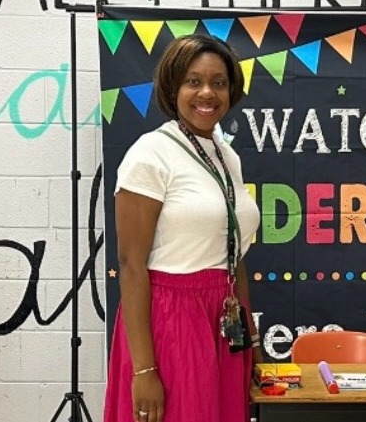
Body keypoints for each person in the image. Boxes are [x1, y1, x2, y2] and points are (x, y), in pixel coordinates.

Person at [104, 34, 261, 422]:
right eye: (194, 81)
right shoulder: (150, 154)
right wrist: (144, 370)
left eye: (218, 83)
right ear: (174, 86)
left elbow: (234, 254)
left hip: (222, 322)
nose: (207, 93)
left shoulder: (227, 155)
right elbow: (130, 265)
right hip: (170, 321)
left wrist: (251, 341)